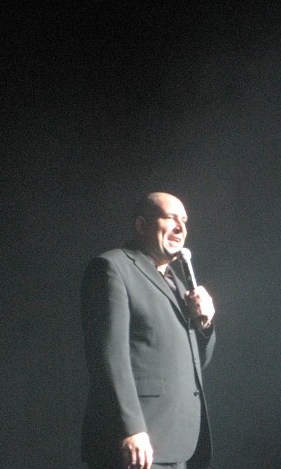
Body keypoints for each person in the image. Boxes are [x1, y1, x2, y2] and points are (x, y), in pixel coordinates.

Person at [80, 192, 216, 469]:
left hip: (177, 443)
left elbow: (194, 364)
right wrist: (130, 428)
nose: (180, 228)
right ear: (142, 225)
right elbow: (109, 358)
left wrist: (204, 323)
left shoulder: (178, 284)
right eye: (170, 218)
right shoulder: (113, 268)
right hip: (137, 444)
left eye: (184, 221)